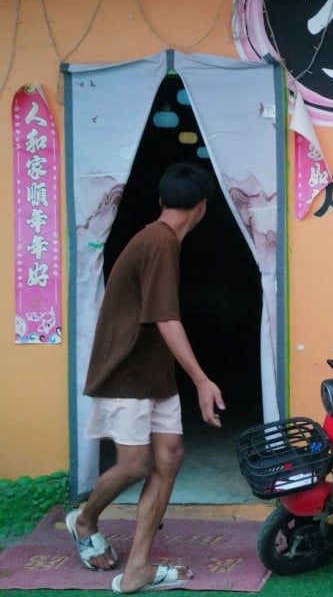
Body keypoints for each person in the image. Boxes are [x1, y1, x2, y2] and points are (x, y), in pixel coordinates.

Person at [66, 162, 226, 594]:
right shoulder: (159, 243)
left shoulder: (162, 240)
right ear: (203, 206)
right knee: (136, 463)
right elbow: (166, 318)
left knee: (169, 455)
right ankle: (83, 520)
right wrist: (202, 380)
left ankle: (138, 567)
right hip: (126, 372)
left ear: (162, 201)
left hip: (154, 374)